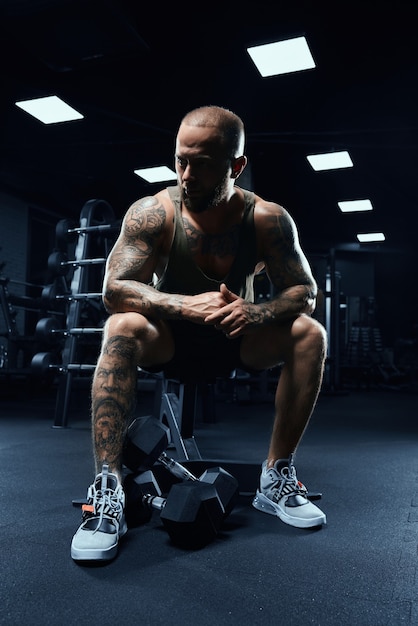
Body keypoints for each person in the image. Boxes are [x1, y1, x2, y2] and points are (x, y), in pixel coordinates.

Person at [71, 105, 328, 562]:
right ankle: (108, 489)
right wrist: (183, 305)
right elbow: (112, 289)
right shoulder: (153, 212)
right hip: (168, 341)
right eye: (180, 161)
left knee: (310, 332)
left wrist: (256, 311)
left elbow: (304, 292)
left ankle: (277, 475)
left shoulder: (268, 219)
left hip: (237, 339)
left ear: (237, 166)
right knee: (121, 323)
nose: (187, 176)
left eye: (203, 165)